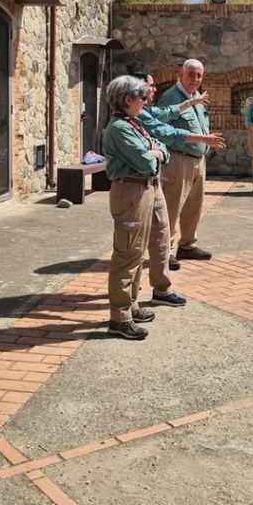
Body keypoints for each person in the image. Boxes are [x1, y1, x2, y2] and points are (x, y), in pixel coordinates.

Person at [134, 73, 225, 303]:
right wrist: (166, 152)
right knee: (163, 222)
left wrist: (191, 103)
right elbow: (166, 131)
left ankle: (179, 255)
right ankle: (129, 304)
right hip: (149, 179)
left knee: (190, 208)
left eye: (200, 75)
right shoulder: (126, 122)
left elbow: (162, 116)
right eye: (150, 86)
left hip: (190, 161)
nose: (153, 91)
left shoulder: (147, 111)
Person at [103, 75, 166, 340]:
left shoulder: (133, 123)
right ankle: (119, 318)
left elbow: (161, 148)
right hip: (131, 191)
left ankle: (131, 304)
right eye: (142, 97)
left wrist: (157, 152)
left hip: (143, 189)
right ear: (128, 100)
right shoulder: (119, 128)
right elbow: (146, 162)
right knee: (127, 255)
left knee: (138, 252)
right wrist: (154, 154)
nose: (145, 101)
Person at [157, 59, 215, 262]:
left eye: (199, 75)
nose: (195, 79)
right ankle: (166, 251)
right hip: (178, 160)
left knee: (194, 206)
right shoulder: (171, 97)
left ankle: (188, 245)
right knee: (172, 206)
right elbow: (158, 128)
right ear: (180, 74)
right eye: (191, 74)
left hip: (198, 160)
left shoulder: (197, 96)